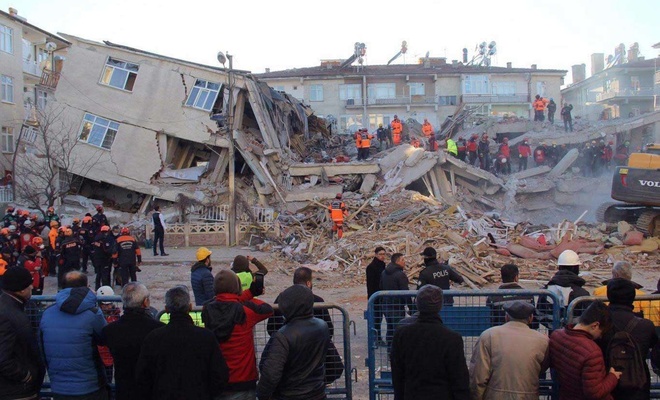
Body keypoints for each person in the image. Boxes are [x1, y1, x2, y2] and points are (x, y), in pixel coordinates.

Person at [136, 286, 229, 400]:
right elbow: (220, 374)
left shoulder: (153, 338)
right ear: (190, 307)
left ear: (166, 309)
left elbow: (143, 377)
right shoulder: (206, 337)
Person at [202, 269, 272, 400]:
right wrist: (249, 294)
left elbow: (217, 301)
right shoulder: (245, 310)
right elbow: (267, 309)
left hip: (217, 381)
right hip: (243, 380)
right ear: (237, 287)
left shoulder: (207, 310)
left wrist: (243, 296)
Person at [391, 284, 470, 400]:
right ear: (440, 306)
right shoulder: (452, 339)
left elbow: (397, 374)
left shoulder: (401, 334)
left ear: (417, 304)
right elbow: (459, 380)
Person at [39, 271, 109, 399]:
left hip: (59, 386)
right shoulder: (93, 313)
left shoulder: (47, 313)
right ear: (86, 287)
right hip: (90, 386)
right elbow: (104, 338)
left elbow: (41, 348)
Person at [256, 285, 329, 400]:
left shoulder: (283, 335)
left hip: (289, 395)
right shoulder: (322, 326)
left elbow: (271, 374)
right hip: (317, 393)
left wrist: (262, 395)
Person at [469, 301, 549, 400]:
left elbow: (479, 375)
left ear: (506, 317)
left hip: (495, 395)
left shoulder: (489, 335)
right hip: (528, 395)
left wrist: (476, 397)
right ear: (531, 318)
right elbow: (542, 367)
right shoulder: (543, 340)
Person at [103, 282, 164, 400]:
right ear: (146, 302)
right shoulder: (158, 329)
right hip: (150, 390)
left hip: (124, 389)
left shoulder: (110, 330)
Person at [549, 301, 621, 400]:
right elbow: (595, 394)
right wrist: (613, 377)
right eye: (602, 331)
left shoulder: (556, 335)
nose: (600, 336)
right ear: (595, 325)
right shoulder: (592, 352)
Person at [599, 279, 658, 400]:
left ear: (609, 295)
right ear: (633, 297)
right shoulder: (646, 326)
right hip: (637, 385)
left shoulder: (598, 324)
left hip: (605, 385)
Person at [0, 267, 45, 400]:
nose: (32, 286)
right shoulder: (7, 315)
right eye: (29, 284)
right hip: (16, 391)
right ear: (21, 289)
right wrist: (25, 376)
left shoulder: (11, 307)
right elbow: (3, 358)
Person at [267, 267, 334, 338]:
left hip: (287, 343)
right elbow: (329, 330)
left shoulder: (282, 298)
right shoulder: (317, 300)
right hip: (313, 344)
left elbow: (271, 327)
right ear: (308, 283)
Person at [537, 250, 590, 327]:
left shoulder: (545, 291)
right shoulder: (582, 295)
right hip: (575, 336)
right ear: (576, 268)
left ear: (559, 267)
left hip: (553, 336)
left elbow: (539, 315)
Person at [593, 261, 658, 322]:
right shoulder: (642, 296)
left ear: (615, 274)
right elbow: (648, 318)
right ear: (630, 275)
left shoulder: (598, 291)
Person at [381, 253, 413, 346]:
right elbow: (405, 292)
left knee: (390, 329)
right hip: (397, 306)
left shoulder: (384, 272)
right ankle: (398, 352)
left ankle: (389, 351)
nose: (404, 262)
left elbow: (380, 286)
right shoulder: (400, 275)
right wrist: (411, 307)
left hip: (386, 305)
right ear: (397, 261)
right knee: (398, 330)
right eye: (403, 260)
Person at [96, 286, 120, 392]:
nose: (107, 307)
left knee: (109, 380)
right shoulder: (96, 316)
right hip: (100, 353)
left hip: (110, 353)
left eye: (109, 304)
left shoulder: (116, 315)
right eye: (104, 305)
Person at [366, 247, 387, 343]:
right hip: (376, 296)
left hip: (381, 296)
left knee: (380, 318)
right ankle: (376, 338)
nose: (382, 256)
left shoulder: (382, 265)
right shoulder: (371, 267)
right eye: (380, 254)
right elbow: (371, 285)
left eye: (384, 254)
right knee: (377, 318)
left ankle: (377, 337)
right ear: (376, 255)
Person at [91, 225, 114, 290]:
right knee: (105, 274)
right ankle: (105, 288)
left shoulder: (96, 237)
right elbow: (107, 249)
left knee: (98, 274)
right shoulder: (106, 238)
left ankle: (97, 287)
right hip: (105, 259)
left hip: (97, 258)